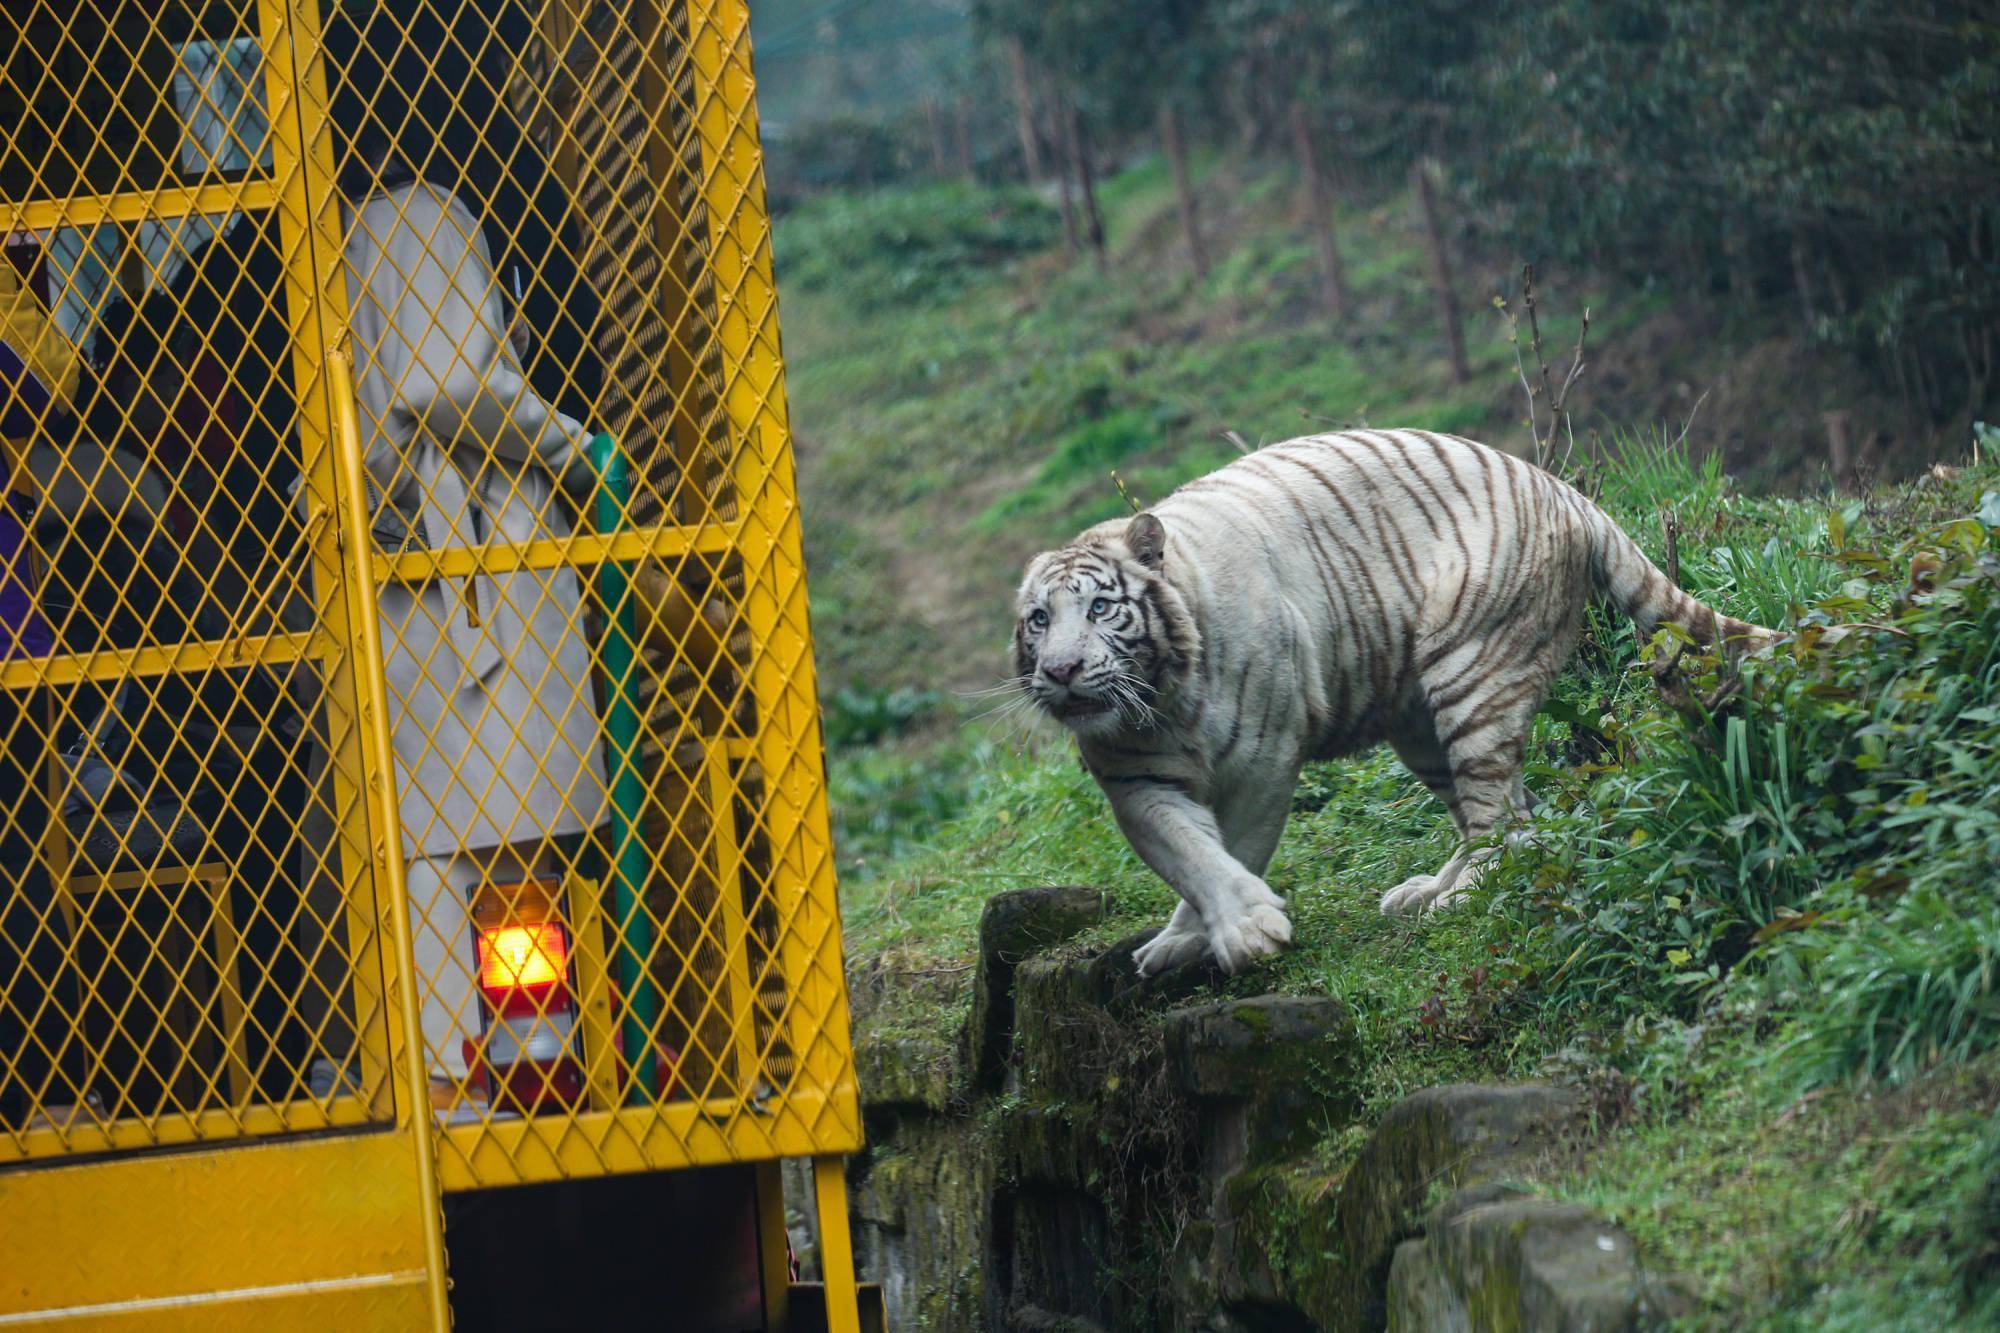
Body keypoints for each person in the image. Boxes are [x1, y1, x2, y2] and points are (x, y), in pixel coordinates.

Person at [308, 161, 610, 1102]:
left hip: (418, 582)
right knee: (500, 838)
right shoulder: (422, 210)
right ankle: (490, 1086)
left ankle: (443, 1076)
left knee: (432, 842)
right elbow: (446, 382)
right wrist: (574, 447)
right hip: (478, 569)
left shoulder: (339, 228)